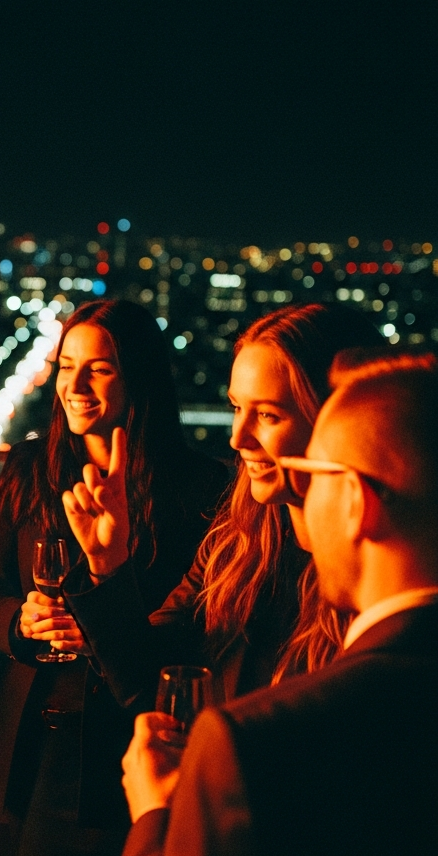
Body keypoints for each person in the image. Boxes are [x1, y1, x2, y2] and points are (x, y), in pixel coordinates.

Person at [105, 348, 438, 856]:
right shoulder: (232, 542)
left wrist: (154, 814)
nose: (238, 440)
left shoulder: (246, 744)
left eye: (315, 477)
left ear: (356, 501)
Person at [0, 299, 231, 856]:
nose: (76, 385)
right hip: (48, 736)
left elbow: (191, 633)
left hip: (139, 737)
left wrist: (107, 615)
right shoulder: (32, 468)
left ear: (138, 374)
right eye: (67, 366)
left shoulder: (199, 487)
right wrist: (20, 623)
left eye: (101, 368)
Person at [62, 303, 381, 710]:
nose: (238, 437)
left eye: (267, 414)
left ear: (337, 419)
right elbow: (147, 677)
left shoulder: (383, 570)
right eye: (236, 408)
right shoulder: (235, 538)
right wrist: (108, 564)